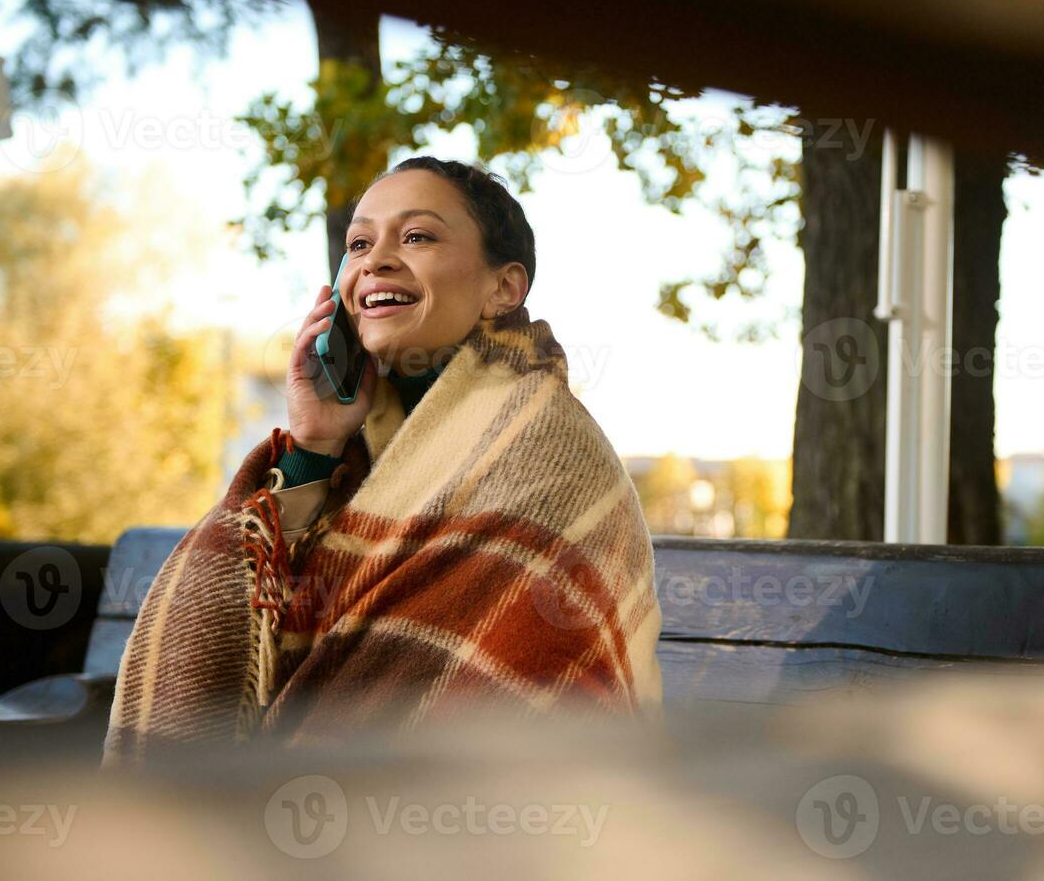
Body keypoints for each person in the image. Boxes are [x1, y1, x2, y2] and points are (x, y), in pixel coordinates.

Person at [102, 157, 664, 769]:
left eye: (418, 236)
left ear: (502, 289)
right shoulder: (351, 443)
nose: (376, 259)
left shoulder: (552, 459)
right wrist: (313, 444)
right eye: (359, 243)